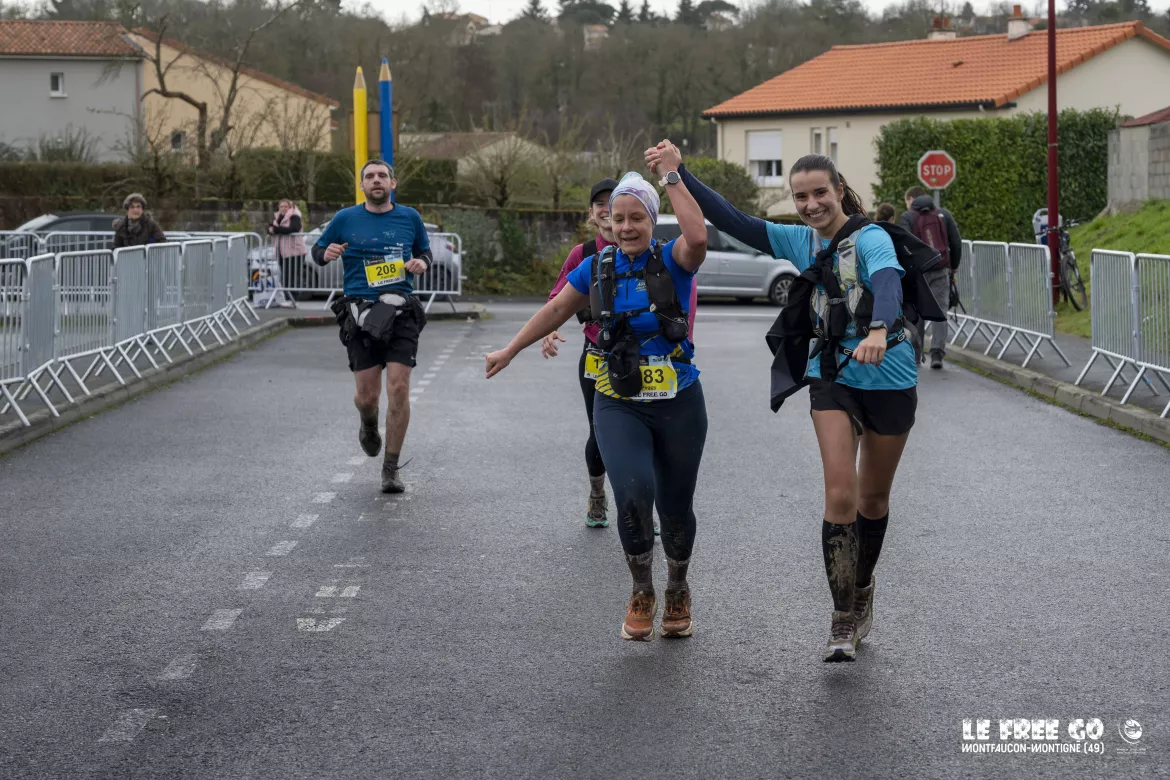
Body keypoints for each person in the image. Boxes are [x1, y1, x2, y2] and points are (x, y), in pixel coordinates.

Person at [660, 144, 917, 662]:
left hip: (889, 375)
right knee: (840, 494)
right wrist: (677, 172)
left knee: (872, 501)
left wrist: (879, 328)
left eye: (820, 193)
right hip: (832, 375)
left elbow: (889, 282)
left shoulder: (871, 238)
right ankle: (841, 619)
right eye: (801, 197)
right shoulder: (799, 240)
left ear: (839, 190)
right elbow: (732, 219)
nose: (811, 204)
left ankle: (862, 587)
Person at [486, 155, 708, 642]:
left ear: (652, 220)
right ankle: (642, 590)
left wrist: (672, 177)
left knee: (675, 505)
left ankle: (677, 587)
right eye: (618, 218)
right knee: (631, 493)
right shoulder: (595, 267)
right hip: (617, 398)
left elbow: (697, 237)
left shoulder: (673, 260)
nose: (625, 227)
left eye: (636, 218)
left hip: (679, 399)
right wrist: (511, 349)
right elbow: (555, 310)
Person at [312, 161, 431, 493]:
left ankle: (390, 468)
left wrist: (422, 263)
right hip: (360, 312)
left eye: (382, 176)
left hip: (400, 310)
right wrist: (326, 253)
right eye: (369, 177)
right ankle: (368, 422)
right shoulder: (345, 218)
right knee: (367, 397)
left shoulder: (410, 217)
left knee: (399, 388)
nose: (376, 180)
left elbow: (425, 253)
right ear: (362, 185)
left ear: (393, 183)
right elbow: (317, 251)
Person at [540, 178, 619, 528]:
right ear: (591, 212)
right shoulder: (583, 254)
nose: (607, 209)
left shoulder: (645, 247)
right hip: (596, 353)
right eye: (600, 203)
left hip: (644, 354)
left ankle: (643, 504)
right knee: (599, 430)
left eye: (614, 201)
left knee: (645, 432)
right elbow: (556, 300)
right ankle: (597, 496)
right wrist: (549, 329)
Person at [899, 187, 962, 369]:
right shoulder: (944, 214)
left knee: (918, 312)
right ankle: (937, 354)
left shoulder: (907, 217)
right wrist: (953, 267)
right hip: (941, 269)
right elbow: (956, 242)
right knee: (940, 311)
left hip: (918, 272)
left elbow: (904, 245)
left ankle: (916, 354)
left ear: (911, 199)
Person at [269, 199, 309, 300]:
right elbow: (270, 228)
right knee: (285, 276)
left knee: (293, 276)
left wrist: (276, 230)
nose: (283, 208)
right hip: (282, 252)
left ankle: (293, 298)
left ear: (290, 207)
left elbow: (293, 229)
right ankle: (286, 298)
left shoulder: (295, 216)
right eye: (281, 206)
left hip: (295, 251)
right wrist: (272, 230)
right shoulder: (277, 217)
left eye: (285, 206)